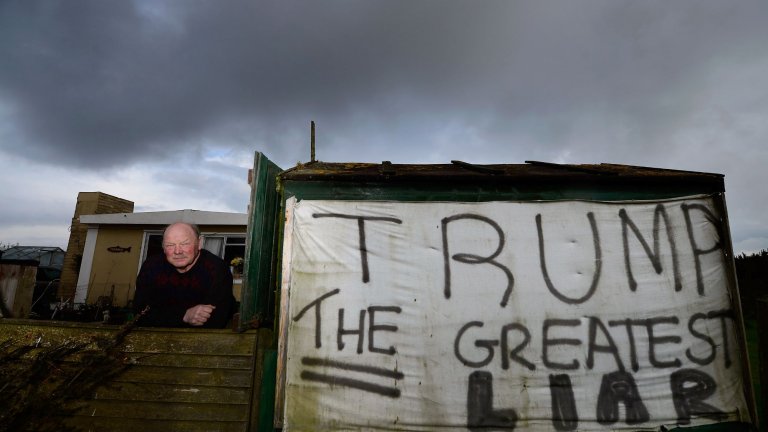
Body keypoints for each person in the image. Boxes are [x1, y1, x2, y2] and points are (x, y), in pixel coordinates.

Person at [133, 222, 236, 328]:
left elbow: (216, 320)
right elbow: (140, 314)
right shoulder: (151, 266)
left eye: (185, 244)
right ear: (163, 247)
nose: (178, 251)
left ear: (199, 243)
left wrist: (163, 314)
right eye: (170, 245)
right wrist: (184, 315)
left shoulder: (217, 269)